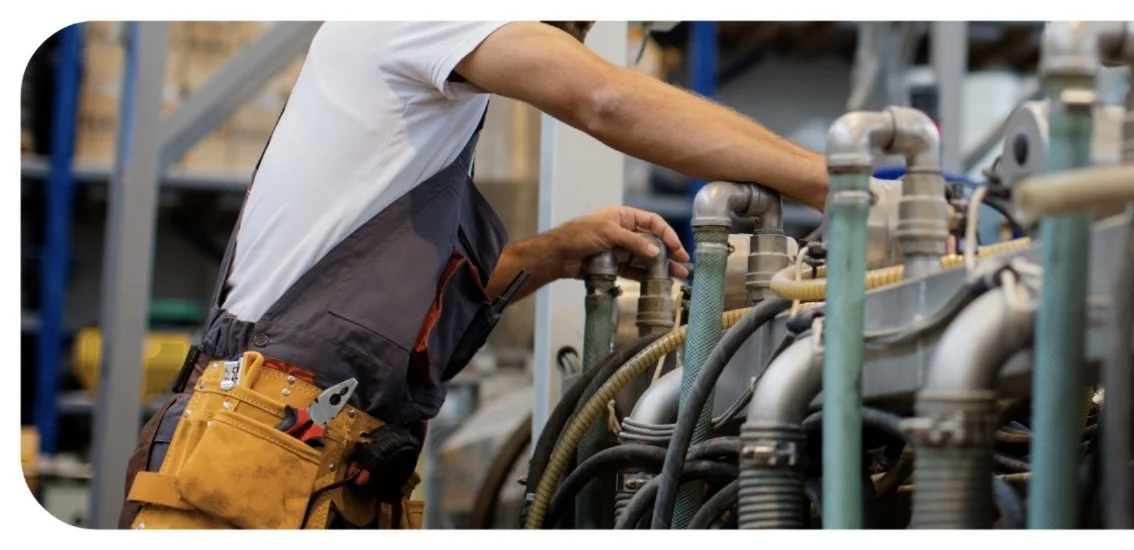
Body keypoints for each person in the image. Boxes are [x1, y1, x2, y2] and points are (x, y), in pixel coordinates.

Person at [118, 21, 832, 529]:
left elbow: (376, 322)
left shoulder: (421, 111)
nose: (583, 30)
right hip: (261, 455)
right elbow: (604, 100)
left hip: (320, 456)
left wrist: (537, 258)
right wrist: (837, 183)